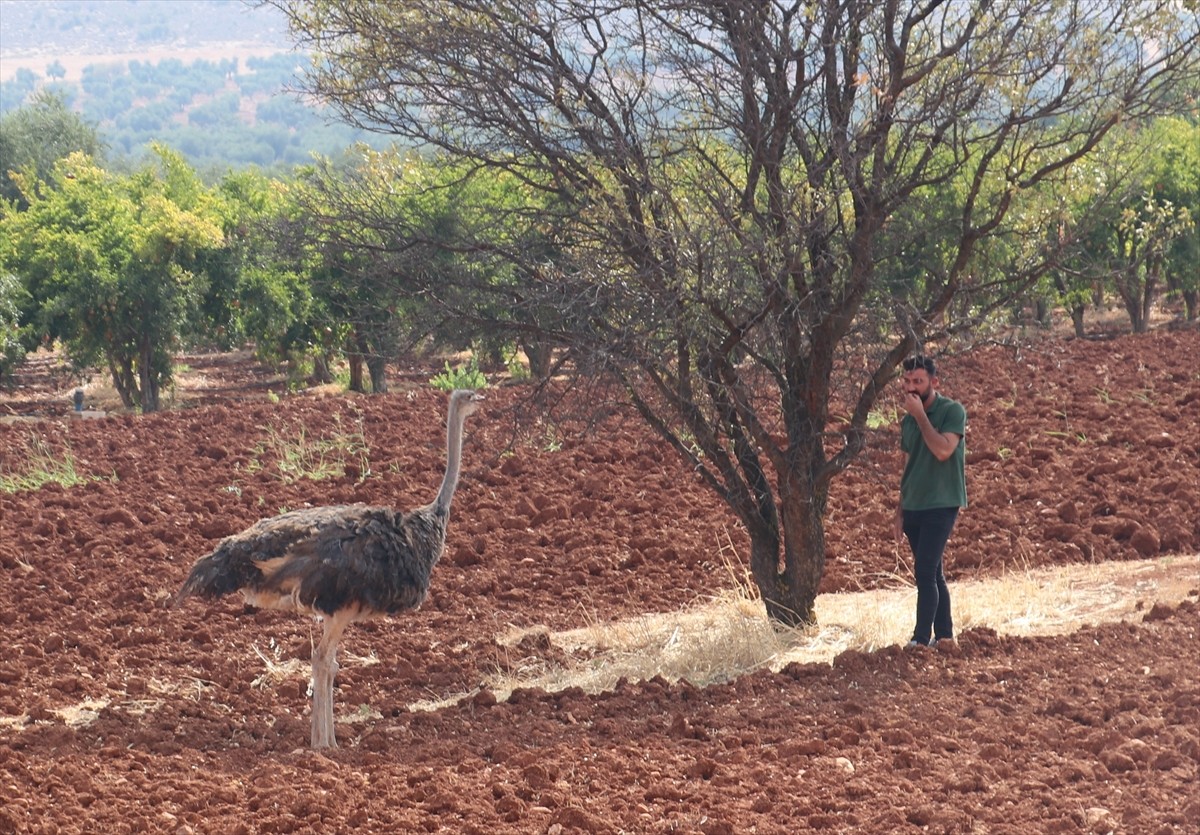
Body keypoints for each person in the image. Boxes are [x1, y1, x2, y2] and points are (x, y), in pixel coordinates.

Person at [893, 354, 967, 649]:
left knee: (924, 571)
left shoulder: (952, 411)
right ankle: (945, 636)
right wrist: (899, 510)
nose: (911, 387)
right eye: (907, 381)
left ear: (933, 382)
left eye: (918, 381)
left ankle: (920, 639)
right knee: (933, 572)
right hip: (914, 504)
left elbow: (943, 450)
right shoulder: (907, 422)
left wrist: (921, 417)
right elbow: (907, 465)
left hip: (942, 502)